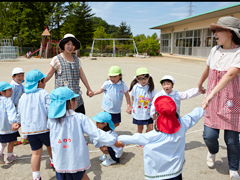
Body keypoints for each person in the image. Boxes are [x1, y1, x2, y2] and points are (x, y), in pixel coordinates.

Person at [118, 95, 207, 180]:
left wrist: (117, 140)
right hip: (176, 172)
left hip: (157, 174)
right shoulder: (182, 124)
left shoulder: (151, 136)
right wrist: (202, 107)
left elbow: (135, 138)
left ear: (157, 114)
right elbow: (193, 116)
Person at [47, 87, 124, 180]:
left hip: (60, 160)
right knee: (81, 177)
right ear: (72, 103)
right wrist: (114, 141)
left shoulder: (51, 120)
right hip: (75, 160)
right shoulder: (80, 118)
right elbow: (96, 133)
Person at [198, 16, 240, 180]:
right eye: (214, 30)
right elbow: (208, 68)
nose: (214, 33)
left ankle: (234, 168)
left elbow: (229, 75)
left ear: (230, 32)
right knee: (209, 136)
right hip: (213, 99)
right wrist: (201, 82)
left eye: (218, 30)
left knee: (231, 141)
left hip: (230, 100)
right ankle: (213, 151)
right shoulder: (215, 50)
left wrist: (211, 94)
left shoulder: (238, 52)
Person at [17, 69, 53, 180]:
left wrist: (18, 123)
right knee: (51, 147)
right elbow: (50, 110)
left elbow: (20, 112)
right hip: (45, 128)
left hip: (30, 131)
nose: (45, 82)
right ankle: (54, 163)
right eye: (44, 80)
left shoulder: (23, 96)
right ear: (39, 82)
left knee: (36, 154)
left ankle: (36, 176)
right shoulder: (43, 93)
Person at [45, 33, 94, 115]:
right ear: (63, 45)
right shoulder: (56, 59)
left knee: (80, 119)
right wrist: (39, 85)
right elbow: (49, 74)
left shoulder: (77, 59)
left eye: (73, 45)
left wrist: (88, 88)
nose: (70, 47)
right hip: (62, 99)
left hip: (76, 97)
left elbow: (82, 74)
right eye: (68, 44)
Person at [129, 67, 157, 135]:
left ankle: (146, 139)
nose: (143, 80)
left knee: (150, 128)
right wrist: (130, 107)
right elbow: (132, 98)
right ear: (137, 79)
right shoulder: (135, 87)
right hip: (139, 112)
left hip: (148, 112)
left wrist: (155, 111)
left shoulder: (151, 87)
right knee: (140, 128)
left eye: (145, 78)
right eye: (140, 79)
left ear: (149, 77)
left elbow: (154, 99)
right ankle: (138, 141)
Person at [0, 81, 20, 164]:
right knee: (11, 141)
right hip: (9, 127)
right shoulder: (8, 101)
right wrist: (13, 122)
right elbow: (11, 112)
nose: (11, 91)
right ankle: (9, 156)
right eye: (9, 90)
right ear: (2, 92)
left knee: (3, 142)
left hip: (1, 128)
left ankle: (0, 151)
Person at [10, 67, 29, 146]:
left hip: (18, 107)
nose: (21, 78)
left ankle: (23, 138)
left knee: (20, 122)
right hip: (14, 108)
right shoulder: (13, 86)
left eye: (22, 75)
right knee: (15, 123)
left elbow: (25, 90)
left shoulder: (19, 84)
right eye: (18, 76)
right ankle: (14, 139)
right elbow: (10, 97)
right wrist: (12, 106)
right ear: (13, 77)